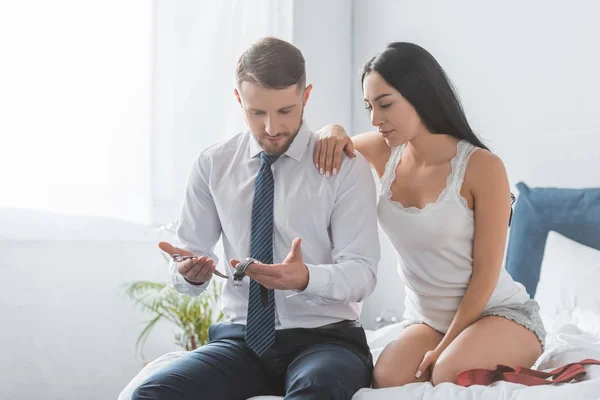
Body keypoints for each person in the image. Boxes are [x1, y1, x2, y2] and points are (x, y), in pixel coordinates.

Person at [132, 37, 380, 400]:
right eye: (256, 112)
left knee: (319, 389)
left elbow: (363, 273)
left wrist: (306, 278)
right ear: (239, 100)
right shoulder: (213, 165)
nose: (271, 127)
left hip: (326, 340)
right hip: (240, 341)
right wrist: (187, 272)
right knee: (151, 394)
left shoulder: (343, 167)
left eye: (285, 111)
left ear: (306, 96)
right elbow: (186, 260)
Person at [313, 42, 545, 387]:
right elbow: (329, 142)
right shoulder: (383, 150)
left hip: (497, 313)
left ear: (419, 95)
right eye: (369, 107)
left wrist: (449, 345)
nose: (376, 120)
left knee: (450, 371)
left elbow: (485, 274)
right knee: (387, 379)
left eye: (385, 104)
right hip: (427, 320)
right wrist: (332, 128)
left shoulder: (483, 167)